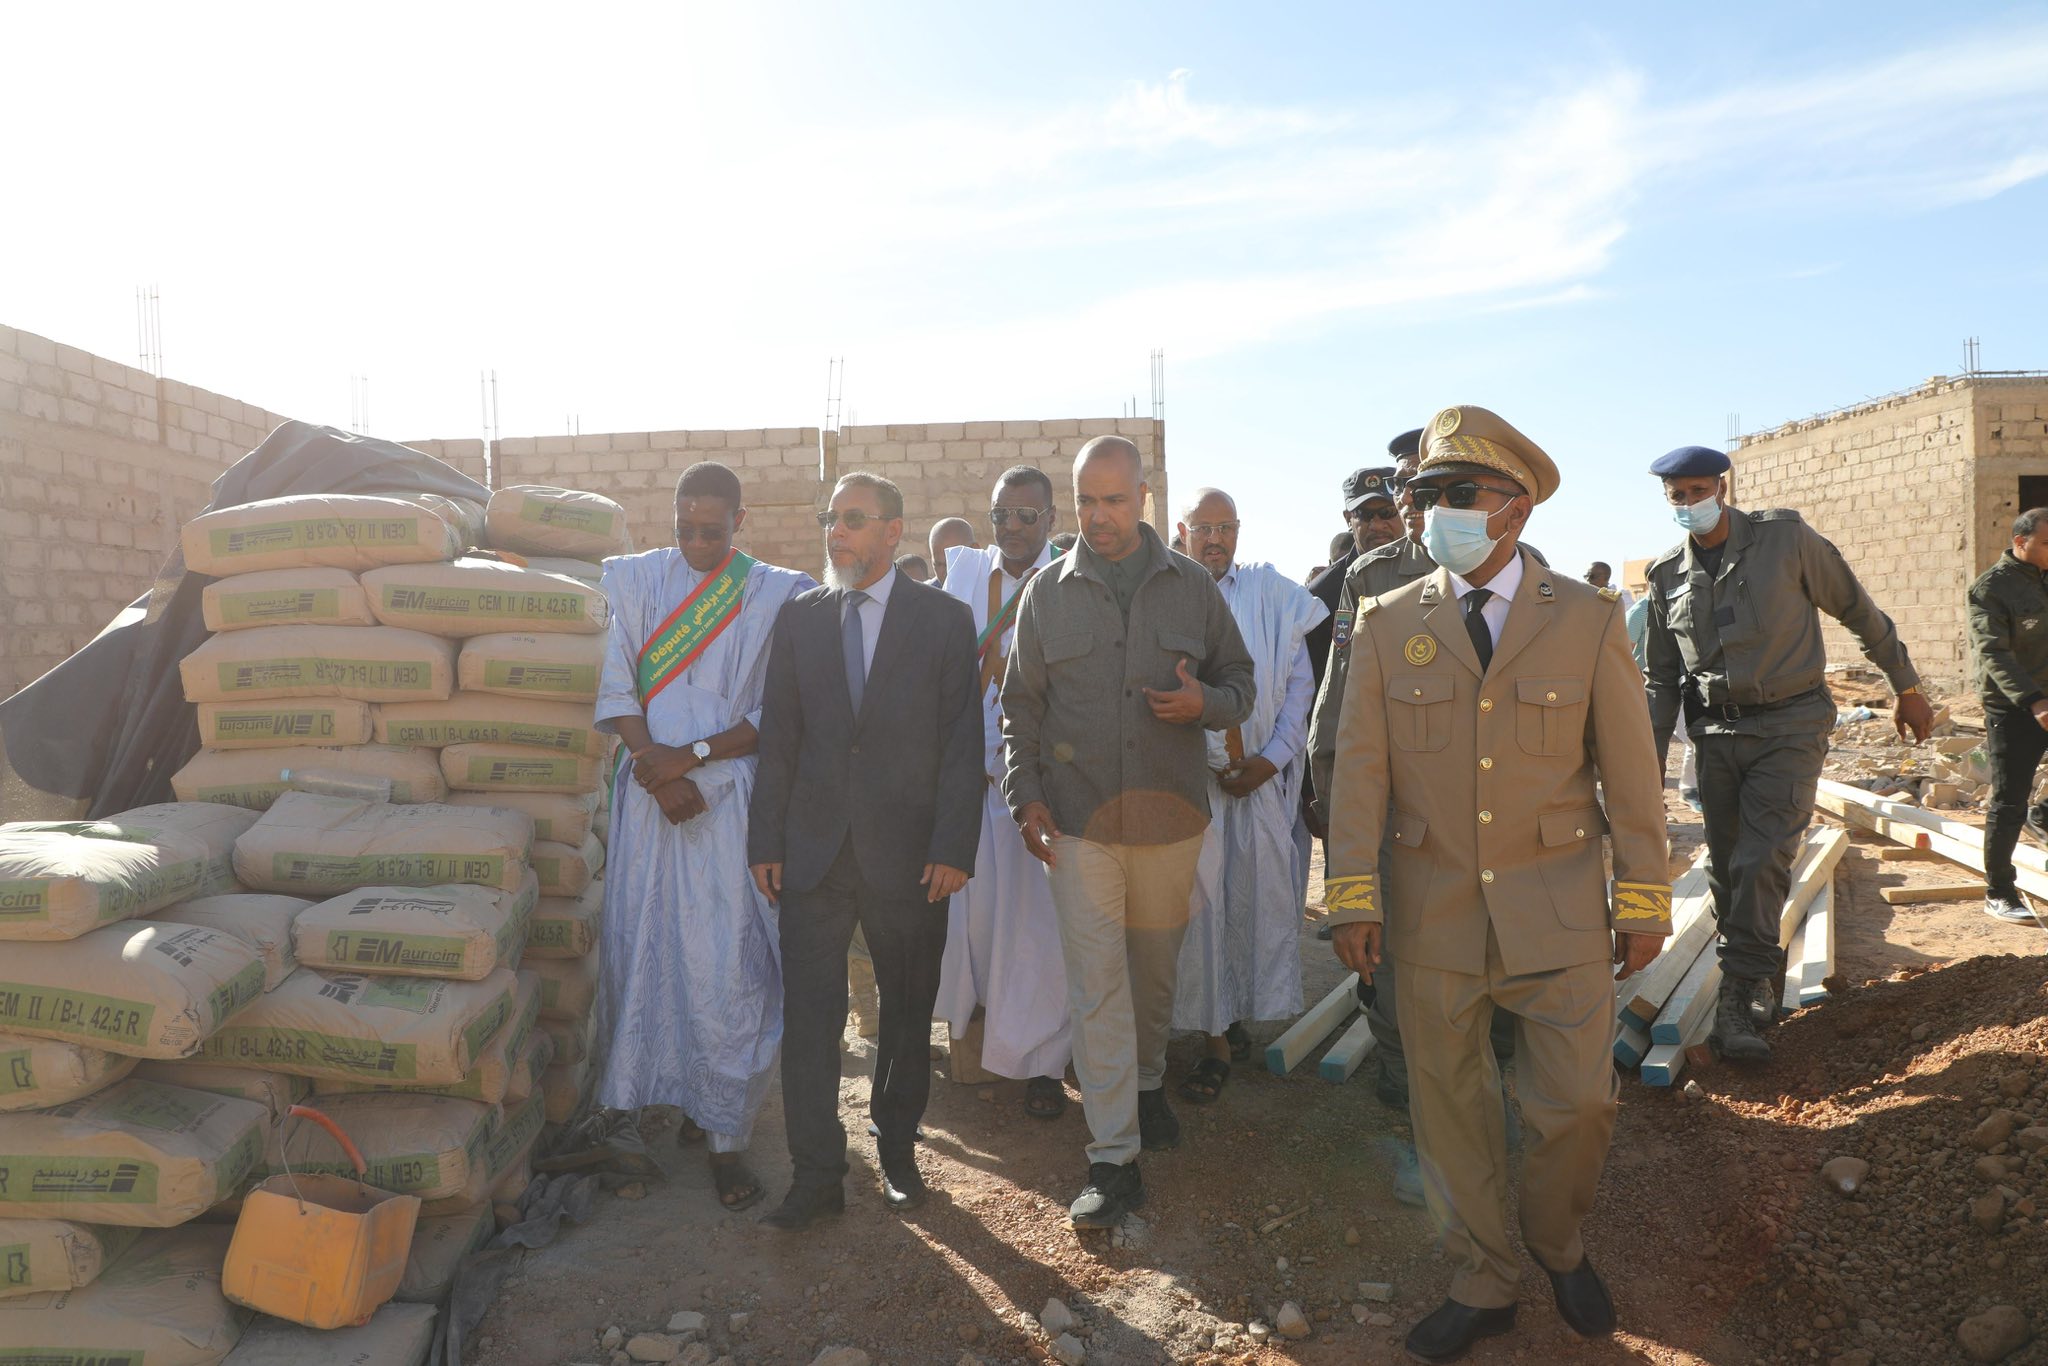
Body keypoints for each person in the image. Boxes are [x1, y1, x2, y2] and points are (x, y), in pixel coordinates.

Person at [1325, 405, 1671, 1360]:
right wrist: (1351, 896)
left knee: (1577, 1106)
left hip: (1556, 906)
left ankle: (1559, 1245)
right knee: (1449, 1108)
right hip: (1432, 908)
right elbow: (1359, 773)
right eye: (1425, 493)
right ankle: (1482, 1278)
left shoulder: (1588, 618)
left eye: (1455, 493)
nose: (1432, 509)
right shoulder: (1389, 621)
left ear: (1515, 508)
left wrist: (1643, 900)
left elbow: (1632, 776)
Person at [1001, 435, 1256, 1228]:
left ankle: (1146, 1087)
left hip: (1168, 821)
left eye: (1114, 500)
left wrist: (1204, 706)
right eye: (1087, 501)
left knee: (1151, 976)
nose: (1099, 516)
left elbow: (1240, 683)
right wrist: (1025, 794)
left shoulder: (1192, 587)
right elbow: (1020, 708)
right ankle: (1113, 1158)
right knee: (1098, 987)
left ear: (1144, 499)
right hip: (1077, 822)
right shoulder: (1046, 593)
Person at [1643, 445, 1933, 1063]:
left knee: (1762, 855)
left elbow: (1856, 607)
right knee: (1727, 867)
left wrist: (1905, 686)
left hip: (1791, 723)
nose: (1689, 503)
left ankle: (1740, 995)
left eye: (1699, 491)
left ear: (1722, 487)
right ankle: (1752, 970)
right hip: (1716, 733)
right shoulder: (1666, 574)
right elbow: (1662, 680)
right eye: (1678, 496)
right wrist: (1647, 767)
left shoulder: (1785, 539)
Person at [748, 472, 984, 1228]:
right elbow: (780, 737)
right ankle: (815, 1174)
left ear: (892, 531)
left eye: (853, 518)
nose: (837, 531)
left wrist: (953, 845)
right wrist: (766, 839)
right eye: (830, 517)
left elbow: (962, 741)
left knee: (906, 1013)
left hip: (911, 856)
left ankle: (898, 1153)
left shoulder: (943, 620)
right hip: (813, 855)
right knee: (810, 1021)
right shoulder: (801, 618)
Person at [594, 461, 815, 1213]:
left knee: (727, 967)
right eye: (684, 529)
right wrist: (656, 773)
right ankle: (653, 1104)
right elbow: (619, 688)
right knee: (648, 951)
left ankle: (726, 1138)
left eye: (711, 532)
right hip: (650, 803)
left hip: (727, 806)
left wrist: (687, 759)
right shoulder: (636, 581)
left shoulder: (775, 593)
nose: (695, 543)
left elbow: (777, 712)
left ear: (739, 523)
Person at [1170, 488, 1326, 1101]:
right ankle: (1211, 1042)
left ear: (1239, 531)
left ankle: (1233, 1018)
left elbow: (1299, 694)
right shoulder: (1166, 593)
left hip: (1257, 786)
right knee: (1201, 916)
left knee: (1247, 908)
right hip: (1188, 791)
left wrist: (1269, 761)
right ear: (1182, 530)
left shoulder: (1273, 594)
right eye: (1203, 527)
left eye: (1225, 527)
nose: (1215, 539)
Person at [933, 465, 1074, 1117]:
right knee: (979, 925)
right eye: (1000, 515)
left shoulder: (1071, 580)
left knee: (1041, 932)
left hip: (1041, 787)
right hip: (971, 784)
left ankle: (1045, 1065)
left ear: (1051, 519)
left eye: (1025, 515)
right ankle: (984, 1045)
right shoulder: (964, 575)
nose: (1011, 527)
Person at [1969, 508, 2048, 925]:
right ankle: (1999, 890)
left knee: (2029, 807)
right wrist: (2033, 700)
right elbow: (1994, 653)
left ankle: (2044, 816)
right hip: (2014, 705)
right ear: (2021, 543)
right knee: (2009, 799)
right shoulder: (1991, 588)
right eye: (2047, 544)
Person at [928, 517, 980, 588]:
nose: (947, 573)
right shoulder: (925, 593)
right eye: (939, 565)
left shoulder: (993, 585)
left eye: (954, 563)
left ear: (975, 551)